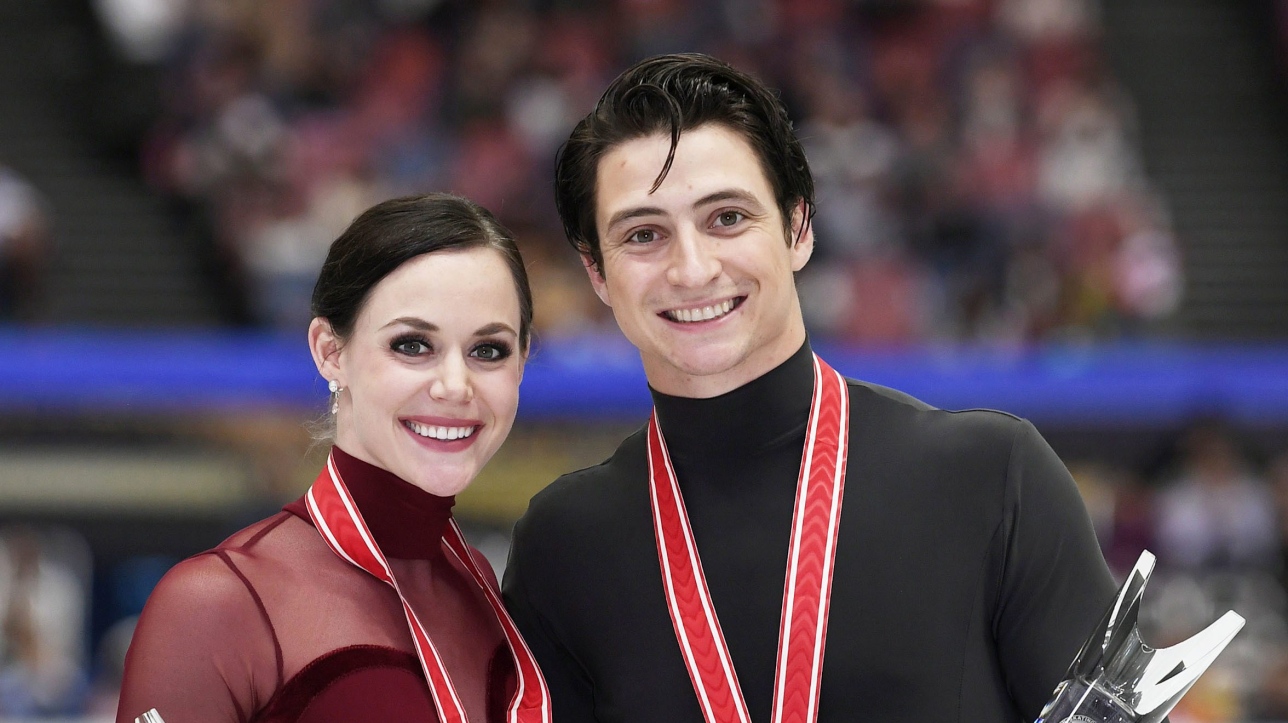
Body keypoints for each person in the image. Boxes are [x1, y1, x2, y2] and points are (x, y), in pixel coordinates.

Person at [502, 53, 1117, 722]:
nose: (692, 267)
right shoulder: (563, 546)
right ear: (597, 273)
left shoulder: (994, 479)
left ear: (798, 226)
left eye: (726, 218)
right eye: (644, 234)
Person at [117, 194, 550, 723]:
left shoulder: (480, 585)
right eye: (413, 345)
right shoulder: (217, 604)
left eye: (489, 350)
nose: (455, 386)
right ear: (330, 351)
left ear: (523, 360)